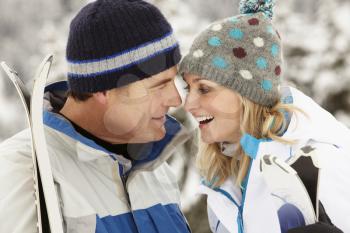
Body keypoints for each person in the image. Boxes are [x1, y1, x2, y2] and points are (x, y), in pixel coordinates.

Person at [0, 0, 193, 232]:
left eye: (174, 80)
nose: (176, 99)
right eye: (159, 86)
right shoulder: (21, 170)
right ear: (102, 89)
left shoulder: (154, 169)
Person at [178, 0, 350, 232]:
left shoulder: (317, 165)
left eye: (205, 89)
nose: (189, 104)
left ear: (247, 93)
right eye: (189, 89)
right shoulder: (224, 177)